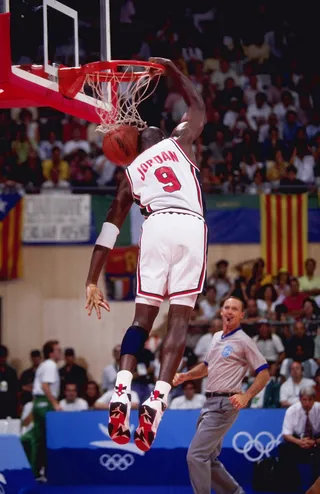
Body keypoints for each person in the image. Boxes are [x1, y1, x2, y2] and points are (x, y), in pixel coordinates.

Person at [85, 56, 206, 452]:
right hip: (189, 224)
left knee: (142, 318)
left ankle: (121, 391)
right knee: (179, 321)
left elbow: (109, 230)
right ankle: (157, 400)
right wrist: (171, 71)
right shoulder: (181, 141)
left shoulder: (131, 174)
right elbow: (199, 105)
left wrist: (91, 280)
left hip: (155, 226)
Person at [173, 297, 269, 494]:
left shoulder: (244, 341)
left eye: (235, 309)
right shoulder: (217, 337)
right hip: (210, 402)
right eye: (227, 307)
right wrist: (187, 376)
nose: (230, 311)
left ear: (242, 315)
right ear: (221, 312)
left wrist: (246, 396)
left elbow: (264, 373)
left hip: (225, 404)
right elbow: (207, 367)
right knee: (208, 458)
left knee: (196, 456)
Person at [29, 340, 61, 477]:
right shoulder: (50, 366)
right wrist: (54, 403)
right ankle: (43, 471)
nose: (61, 352)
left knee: (39, 439)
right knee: (46, 438)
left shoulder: (44, 365)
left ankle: (36, 471)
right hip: (45, 402)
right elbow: (45, 386)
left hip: (39, 402)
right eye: (58, 350)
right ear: (51, 353)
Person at [280, 387, 320, 487]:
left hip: (317, 441)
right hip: (298, 441)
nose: (307, 403)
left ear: (314, 399)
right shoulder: (291, 410)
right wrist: (299, 442)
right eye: (304, 400)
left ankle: (316, 485)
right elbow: (286, 434)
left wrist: (315, 442)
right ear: (300, 399)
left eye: (310, 400)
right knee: (284, 449)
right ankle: (292, 484)